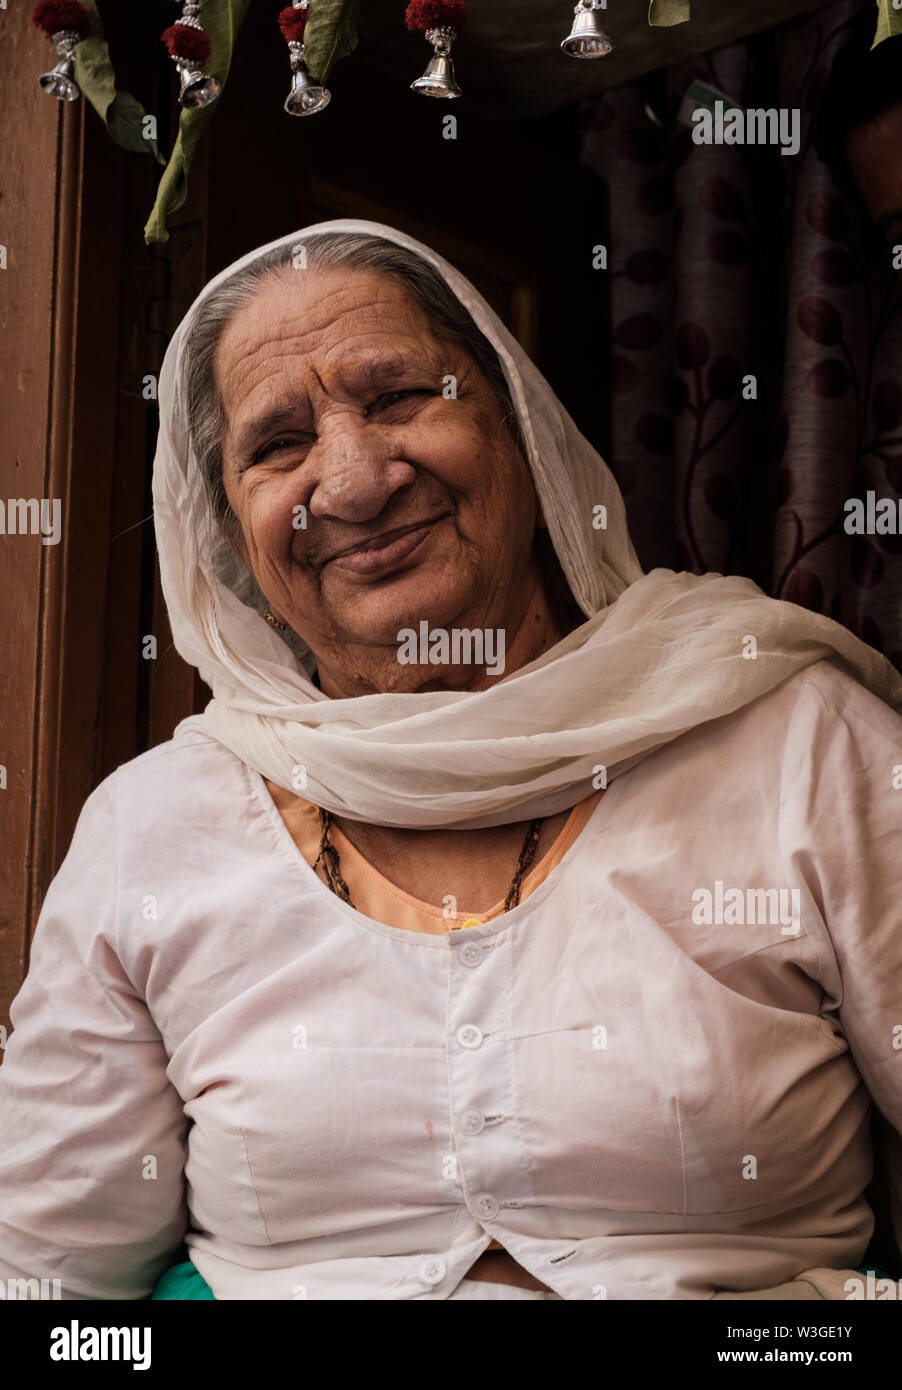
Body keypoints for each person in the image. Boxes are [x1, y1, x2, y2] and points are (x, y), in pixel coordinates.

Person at [0, 219, 900, 1302]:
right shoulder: (152, 827)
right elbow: (50, 1280)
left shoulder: (799, 743)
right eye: (276, 444)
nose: (353, 478)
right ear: (233, 534)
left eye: (396, 397)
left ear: (515, 425)